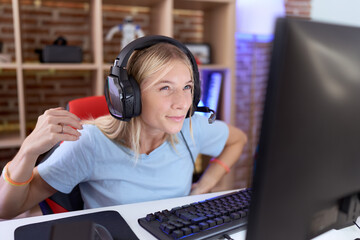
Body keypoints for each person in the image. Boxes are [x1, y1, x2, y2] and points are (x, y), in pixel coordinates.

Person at [0, 36, 247, 219]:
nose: (183, 103)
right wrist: (27, 152)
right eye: (165, 88)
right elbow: (7, 210)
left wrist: (206, 184)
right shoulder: (90, 143)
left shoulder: (191, 128)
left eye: (187, 87)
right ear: (129, 96)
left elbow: (238, 140)